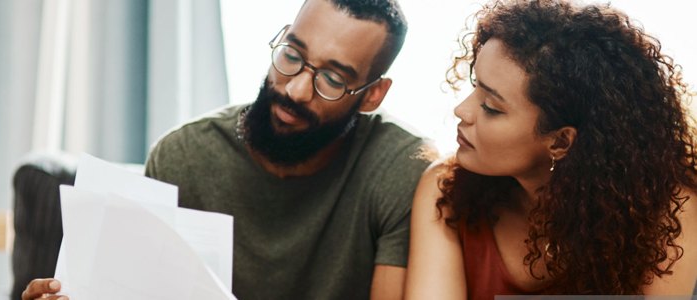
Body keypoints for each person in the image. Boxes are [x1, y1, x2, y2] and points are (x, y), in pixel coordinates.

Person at [22, 0, 434, 299]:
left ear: (371, 95)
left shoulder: (400, 168)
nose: (294, 89)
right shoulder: (185, 156)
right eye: (292, 55)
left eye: (331, 78)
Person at [404, 0, 697, 298]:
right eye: (474, 84)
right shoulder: (446, 187)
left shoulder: (667, 212)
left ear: (560, 142)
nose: (461, 110)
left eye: (491, 107)